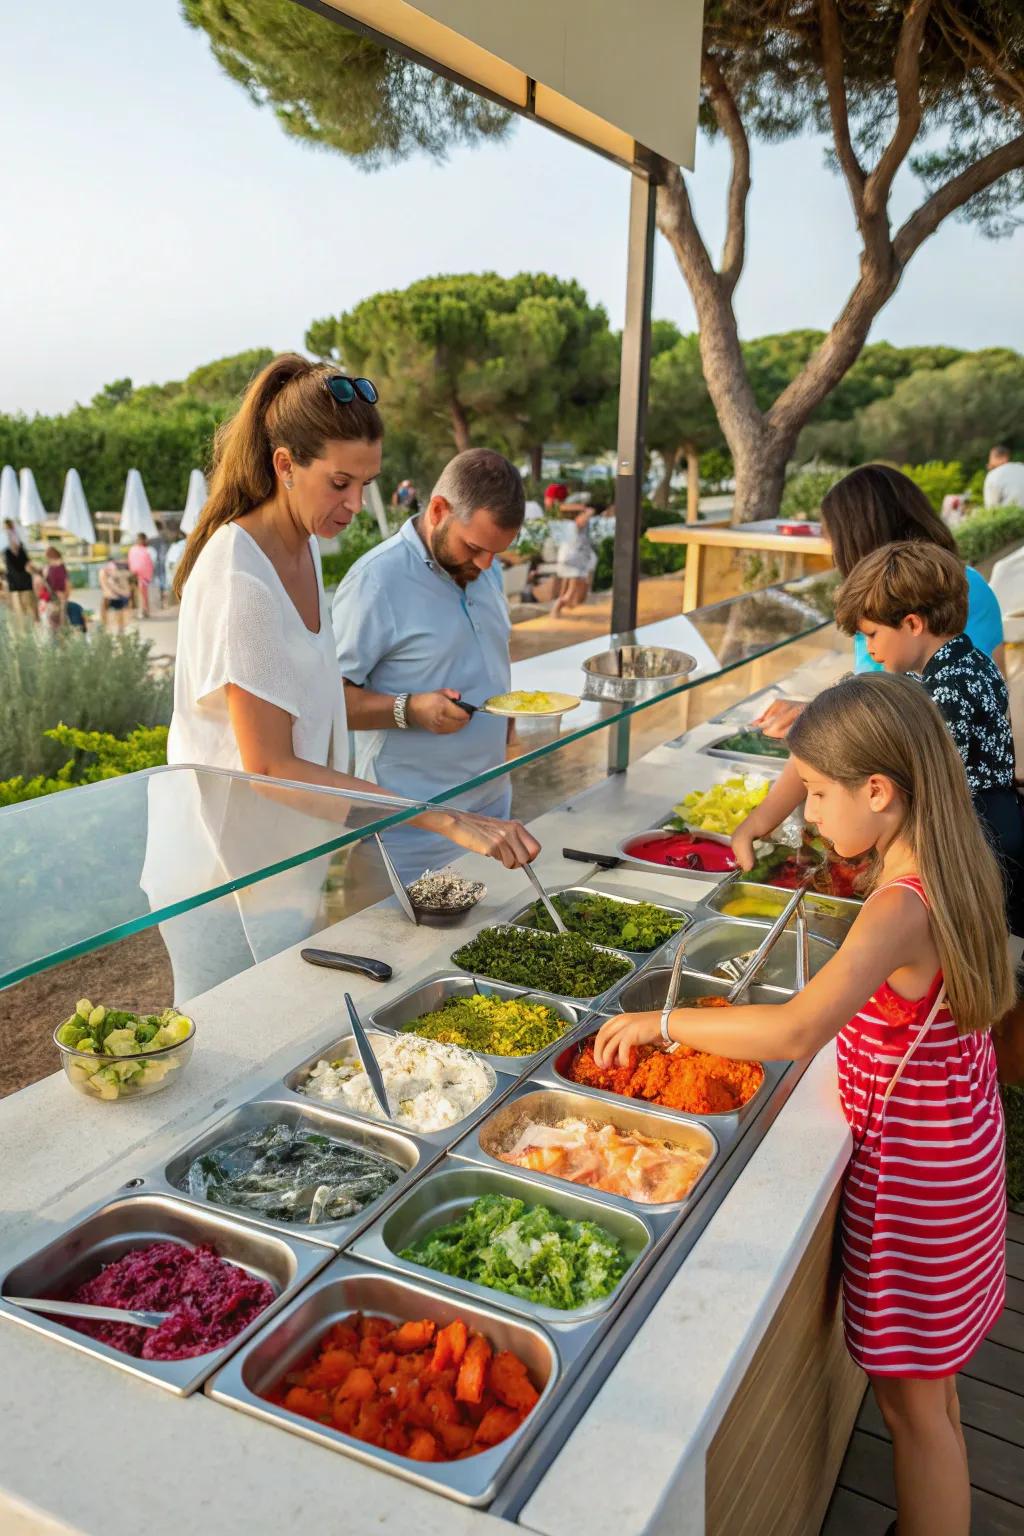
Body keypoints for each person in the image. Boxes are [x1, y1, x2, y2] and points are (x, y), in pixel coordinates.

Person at [596, 673, 1009, 1536]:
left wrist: (662, 1021)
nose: (808, 813)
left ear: (879, 792)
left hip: (915, 1178)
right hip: (958, 1149)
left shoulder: (901, 902)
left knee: (913, 1414)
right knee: (933, 1399)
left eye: (818, 794)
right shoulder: (947, 858)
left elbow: (795, 1030)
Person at [151, 355, 538, 998]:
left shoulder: (300, 545)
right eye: (339, 483)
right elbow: (270, 768)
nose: (357, 504)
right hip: (224, 873)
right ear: (284, 465)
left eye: (367, 482)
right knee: (232, 1057)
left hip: (285, 861)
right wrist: (441, 817)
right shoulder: (239, 574)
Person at [333, 447, 528, 883]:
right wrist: (410, 708)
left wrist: (508, 722)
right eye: (475, 547)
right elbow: (328, 703)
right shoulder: (375, 581)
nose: (486, 564)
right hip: (409, 830)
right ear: (438, 510)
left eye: (496, 553)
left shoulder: (482, 568)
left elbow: (489, 654)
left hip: (494, 813)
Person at [832, 541, 1024, 930]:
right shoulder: (969, 661)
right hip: (995, 811)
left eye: (872, 634)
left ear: (913, 624)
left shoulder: (947, 687)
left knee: (976, 932)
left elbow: (935, 775)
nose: (869, 648)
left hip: (978, 827)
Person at [757, 463, 1005, 738]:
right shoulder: (894, 604)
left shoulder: (954, 595)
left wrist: (818, 715)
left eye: (837, 544)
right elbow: (877, 693)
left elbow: (916, 716)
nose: (835, 558)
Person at [550, 500, 598, 617]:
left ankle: (560, 610)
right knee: (571, 592)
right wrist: (588, 512)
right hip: (574, 560)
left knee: (568, 588)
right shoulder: (575, 523)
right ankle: (556, 610)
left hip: (569, 559)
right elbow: (579, 521)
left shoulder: (565, 524)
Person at [3, 519, 37, 630]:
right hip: (16, 585)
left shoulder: (20, 547)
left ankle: (29, 628)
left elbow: (27, 563)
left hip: (24, 584)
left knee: (28, 610)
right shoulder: (7, 551)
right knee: (19, 613)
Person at [983, 444, 1024, 510]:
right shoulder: (1021, 467)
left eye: (990, 458)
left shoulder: (993, 475)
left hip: (1011, 517)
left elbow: (991, 508)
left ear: (1004, 458)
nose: (989, 462)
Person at [98, 558, 131, 632]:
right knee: (116, 614)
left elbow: (125, 590)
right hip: (114, 597)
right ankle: (118, 629)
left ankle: (116, 629)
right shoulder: (105, 572)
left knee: (116, 614)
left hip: (115, 597)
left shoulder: (110, 573)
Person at [128, 532, 155, 617]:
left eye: (140, 539)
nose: (139, 541)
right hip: (135, 575)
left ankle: (145, 610)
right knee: (136, 593)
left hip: (144, 575)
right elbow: (131, 561)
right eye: (138, 539)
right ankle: (139, 610)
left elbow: (149, 563)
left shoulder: (147, 550)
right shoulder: (134, 549)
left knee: (143, 592)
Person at [44, 545, 69, 626]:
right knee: (60, 621)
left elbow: (57, 582)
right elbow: (66, 582)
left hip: (55, 596)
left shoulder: (55, 568)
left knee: (55, 622)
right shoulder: (59, 567)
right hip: (57, 596)